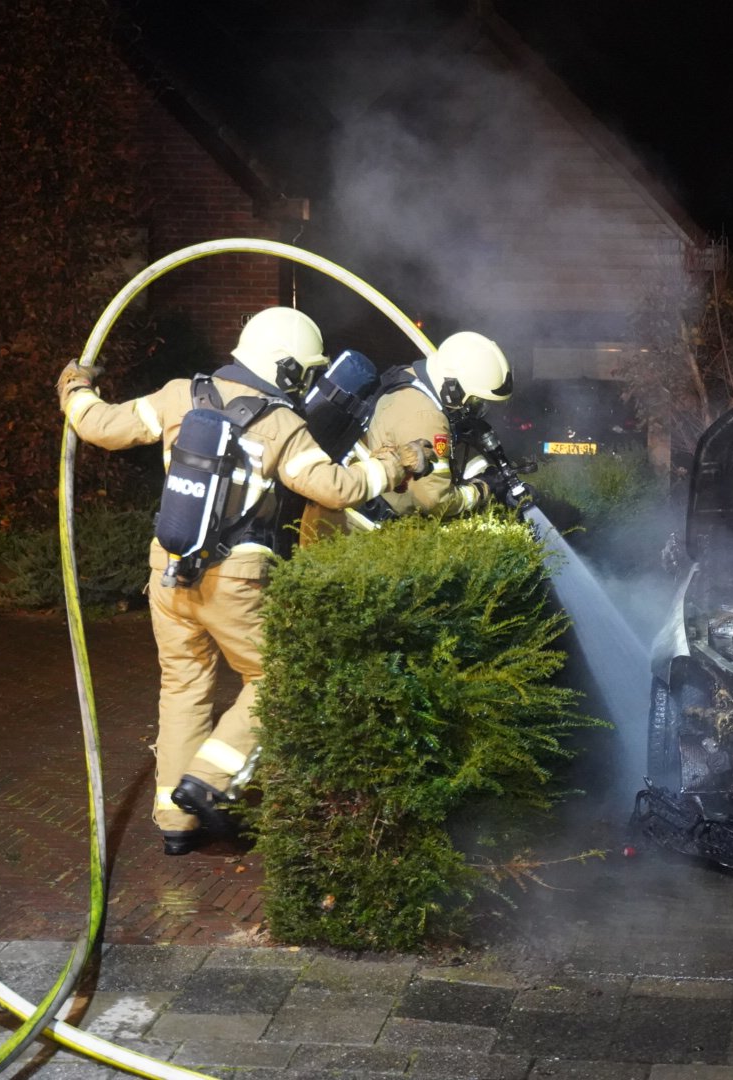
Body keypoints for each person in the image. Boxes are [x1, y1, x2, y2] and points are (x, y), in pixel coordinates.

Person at [56, 306, 436, 854]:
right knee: (280, 677)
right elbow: (337, 489)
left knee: (183, 688)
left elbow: (99, 426)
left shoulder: (179, 395)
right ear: (285, 368)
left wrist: (75, 388)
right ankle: (208, 783)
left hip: (168, 572)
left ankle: (175, 822)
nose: (304, 384)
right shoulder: (281, 424)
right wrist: (397, 464)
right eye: (304, 373)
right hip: (234, 581)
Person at [299, 330, 518, 540]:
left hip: (338, 516)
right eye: (476, 402)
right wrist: (483, 489)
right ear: (452, 388)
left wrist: (488, 471)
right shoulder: (425, 416)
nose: (476, 410)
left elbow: (446, 454)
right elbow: (436, 501)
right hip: (349, 530)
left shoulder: (414, 382)